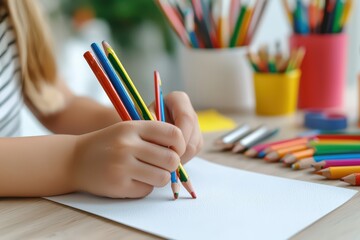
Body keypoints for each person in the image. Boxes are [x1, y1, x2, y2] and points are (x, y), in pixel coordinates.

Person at [0, 0, 203, 198]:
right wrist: (75, 160)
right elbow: (75, 156)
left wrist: (141, 125)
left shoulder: (13, 7)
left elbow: (58, 105)